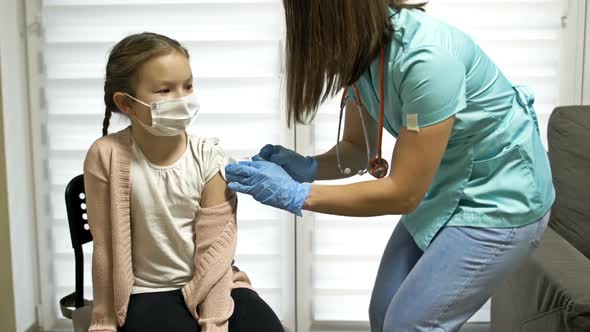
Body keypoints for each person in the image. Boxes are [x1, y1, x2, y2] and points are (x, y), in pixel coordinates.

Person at [225, 1, 555, 331]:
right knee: (383, 313)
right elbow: (356, 150)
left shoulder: (428, 59)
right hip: (444, 188)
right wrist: (306, 166)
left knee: (408, 325)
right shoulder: (361, 51)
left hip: (502, 200)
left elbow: (402, 193)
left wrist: (297, 194)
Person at [84, 32, 284, 332]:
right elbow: (106, 251)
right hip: (145, 291)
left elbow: (216, 252)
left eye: (187, 86)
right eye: (164, 90)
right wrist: (104, 322)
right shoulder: (106, 155)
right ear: (127, 104)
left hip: (213, 280)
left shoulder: (208, 156)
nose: (182, 98)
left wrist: (214, 323)